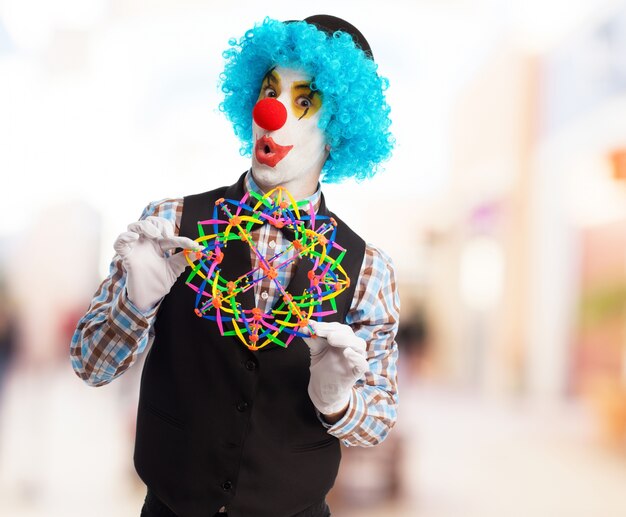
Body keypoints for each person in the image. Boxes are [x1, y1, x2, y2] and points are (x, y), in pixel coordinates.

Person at [71, 15, 399, 517]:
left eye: (303, 101)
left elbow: (376, 421)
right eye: (269, 91)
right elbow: (89, 366)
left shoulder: (368, 268)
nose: (272, 112)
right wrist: (135, 305)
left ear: (339, 128)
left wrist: (337, 400)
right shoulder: (169, 226)